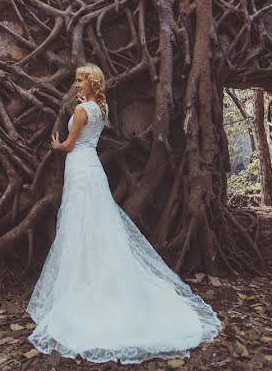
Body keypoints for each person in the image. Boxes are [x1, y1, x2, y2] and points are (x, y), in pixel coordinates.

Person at [26, 63, 222, 365]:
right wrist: (83, 107)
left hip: (80, 170)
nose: (76, 84)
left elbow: (68, 145)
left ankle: (85, 287)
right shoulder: (99, 110)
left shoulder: (81, 112)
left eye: (80, 80)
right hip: (92, 170)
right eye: (76, 80)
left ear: (92, 83)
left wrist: (55, 144)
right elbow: (90, 133)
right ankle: (95, 279)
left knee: (80, 225)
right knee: (96, 225)